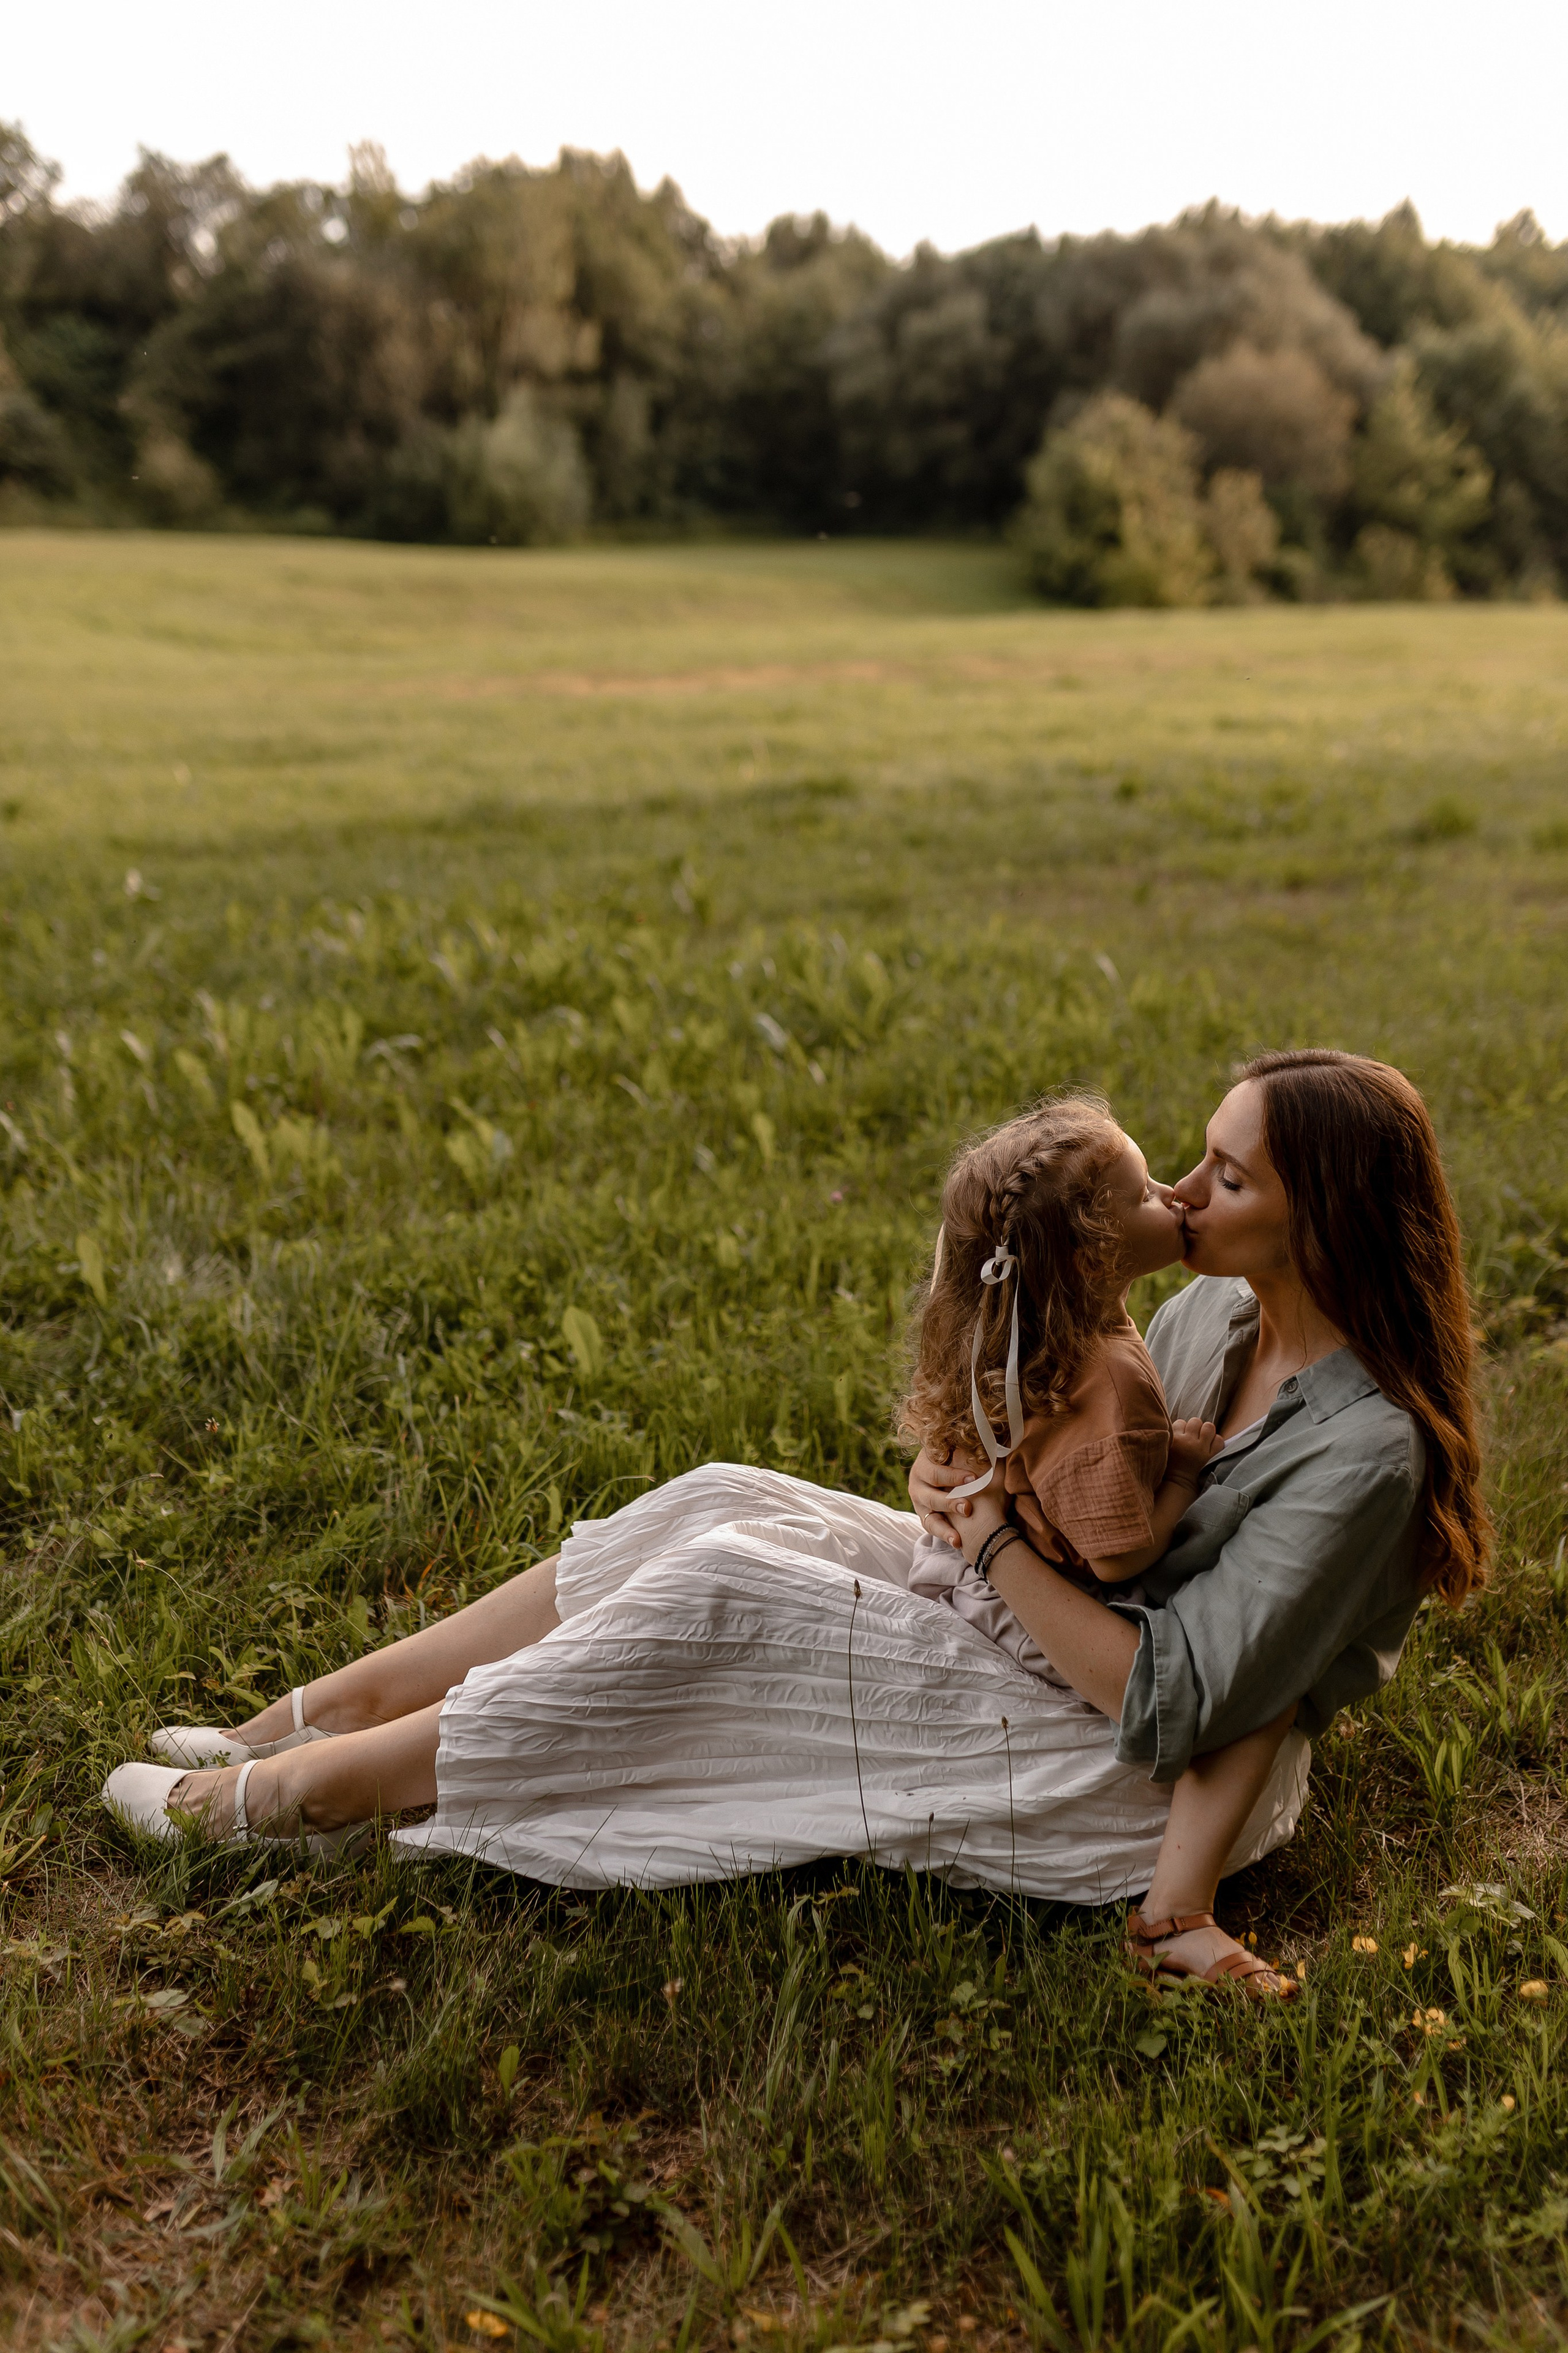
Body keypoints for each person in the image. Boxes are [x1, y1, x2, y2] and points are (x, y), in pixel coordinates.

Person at [104, 1051, 1488, 1989]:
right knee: (722, 1502)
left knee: (726, 1594)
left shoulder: (1363, 1451)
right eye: (1192, 1158)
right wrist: (953, 1492)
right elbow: (1055, 1465)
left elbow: (1175, 1705)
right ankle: (305, 1715)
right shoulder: (1207, 1316)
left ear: (1330, 1224)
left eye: (1227, 1182)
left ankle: (296, 1798)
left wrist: (996, 1540)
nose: (1183, 1197)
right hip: (1049, 1630)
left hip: (1133, 1784)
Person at [899, 1096, 1302, 1996]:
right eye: (1146, 1191)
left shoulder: (1042, 1328)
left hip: (980, 1568)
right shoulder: (1112, 1375)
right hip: (1023, 1609)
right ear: (1091, 1254)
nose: (1175, 1195)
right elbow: (1119, 1559)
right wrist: (1186, 1472)